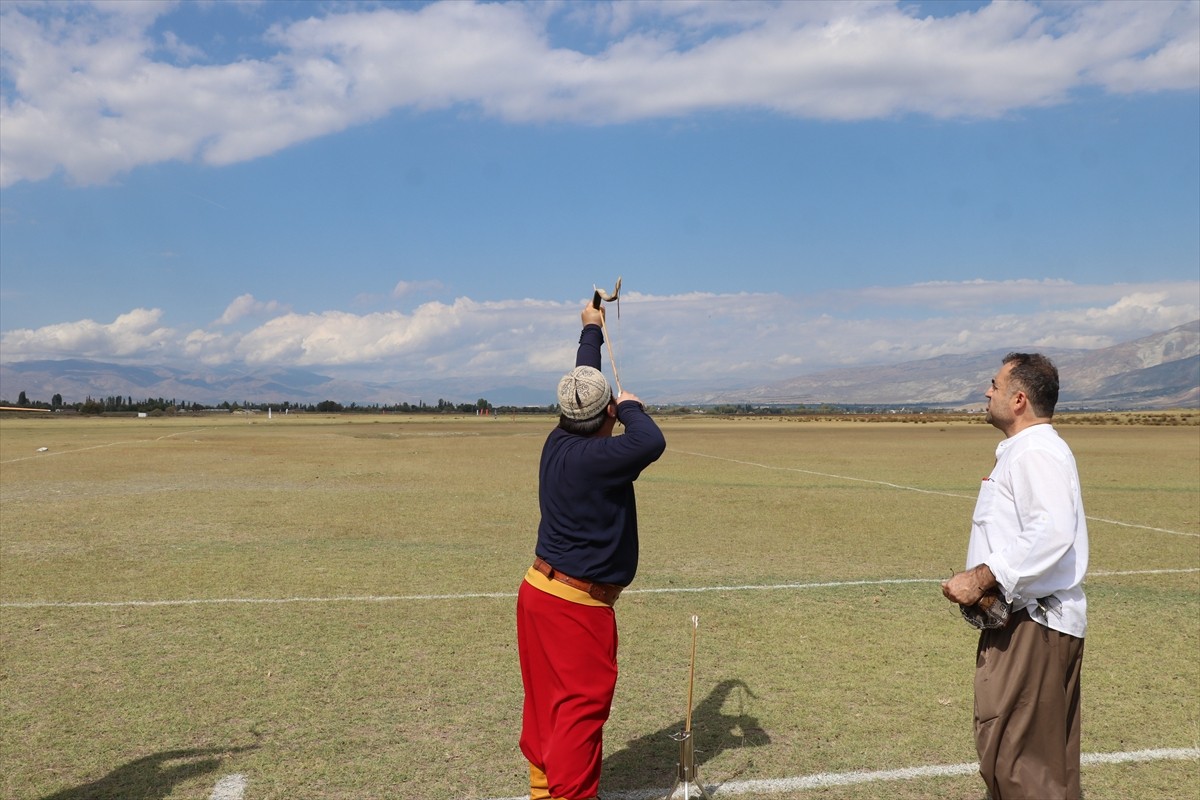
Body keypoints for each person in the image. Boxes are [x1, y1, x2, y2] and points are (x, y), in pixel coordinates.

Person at [516, 302, 666, 800]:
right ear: (606, 413)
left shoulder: (559, 440)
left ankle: (545, 791)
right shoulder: (604, 456)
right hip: (577, 607)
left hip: (539, 592)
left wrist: (591, 329)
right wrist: (632, 407)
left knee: (546, 707)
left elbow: (584, 380)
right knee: (581, 710)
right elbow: (651, 440)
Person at [942, 352, 1089, 800]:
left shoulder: (1035, 452)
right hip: (1024, 623)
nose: (987, 392)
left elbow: (1052, 530)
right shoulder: (1026, 451)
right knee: (1027, 763)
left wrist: (983, 577)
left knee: (1019, 766)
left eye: (994, 384)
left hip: (1032, 626)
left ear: (1019, 398)